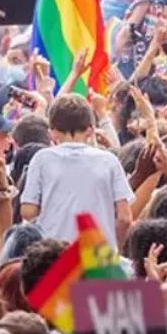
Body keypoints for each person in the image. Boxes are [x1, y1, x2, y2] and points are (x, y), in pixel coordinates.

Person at [20, 94, 134, 246]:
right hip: (98, 253)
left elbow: (28, 211)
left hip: (54, 251)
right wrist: (114, 244)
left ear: (52, 132)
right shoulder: (109, 161)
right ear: (91, 130)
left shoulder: (41, 159)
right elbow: (125, 218)